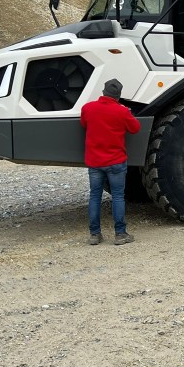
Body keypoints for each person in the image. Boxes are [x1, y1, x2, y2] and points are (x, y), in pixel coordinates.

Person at [80, 78, 141, 245]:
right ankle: (120, 234)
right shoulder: (122, 111)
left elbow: (83, 123)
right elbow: (135, 128)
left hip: (94, 162)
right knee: (118, 197)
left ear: (103, 92)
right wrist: (126, 111)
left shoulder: (88, 108)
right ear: (118, 96)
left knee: (94, 196)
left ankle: (94, 234)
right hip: (116, 162)